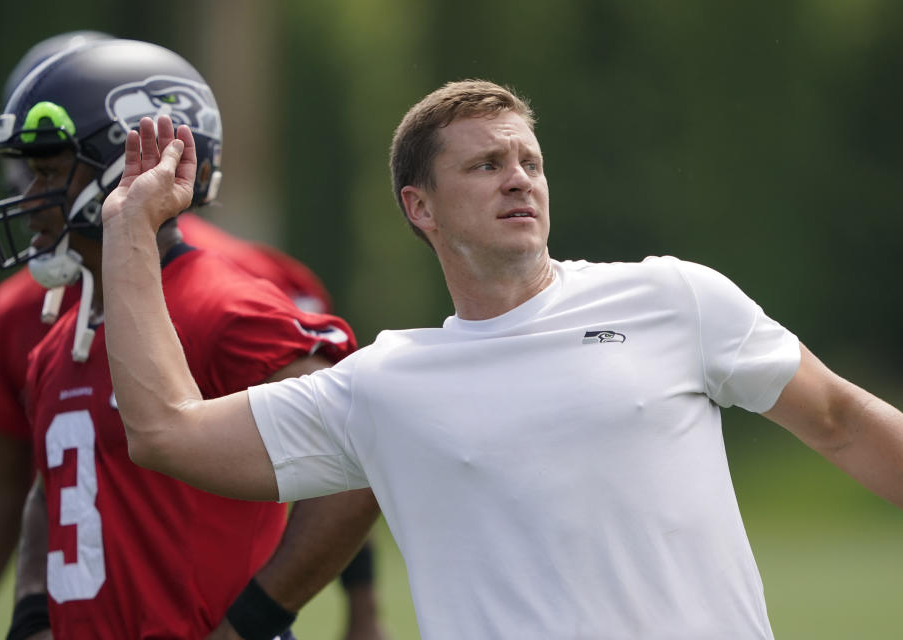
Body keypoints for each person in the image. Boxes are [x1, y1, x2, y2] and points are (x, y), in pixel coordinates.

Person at [100, 79, 903, 639]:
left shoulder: (673, 299)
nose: (519, 178)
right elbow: (167, 432)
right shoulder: (385, 385)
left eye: (529, 161)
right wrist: (131, 230)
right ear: (421, 208)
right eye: (486, 165)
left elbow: (840, 420)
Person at [0, 38, 385, 640]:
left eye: (49, 171)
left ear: (123, 163)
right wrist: (33, 615)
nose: (30, 198)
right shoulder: (61, 336)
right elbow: (54, 482)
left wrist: (253, 621)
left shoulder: (226, 307)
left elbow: (360, 454)